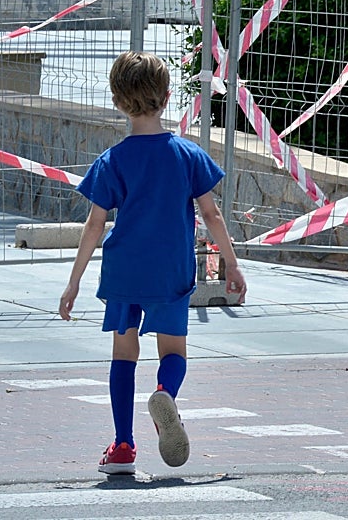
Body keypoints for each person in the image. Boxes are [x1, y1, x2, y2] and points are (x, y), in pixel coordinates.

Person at [59, 51, 247, 475]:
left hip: (124, 269)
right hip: (172, 269)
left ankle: (123, 446)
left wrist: (73, 283)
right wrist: (232, 264)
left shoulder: (113, 161)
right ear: (166, 96)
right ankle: (165, 391)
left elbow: (94, 225)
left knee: (123, 355)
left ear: (117, 99)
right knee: (173, 349)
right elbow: (212, 215)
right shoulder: (186, 154)